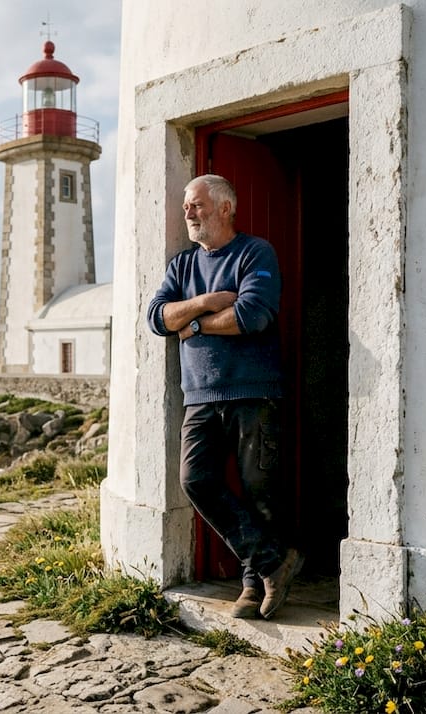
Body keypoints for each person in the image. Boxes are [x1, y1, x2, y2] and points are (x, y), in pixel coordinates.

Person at [146, 173, 303, 620]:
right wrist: (206, 302)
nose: (188, 213)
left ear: (225, 207)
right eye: (185, 208)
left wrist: (190, 326)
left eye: (195, 205)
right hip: (199, 395)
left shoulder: (256, 253)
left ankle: (253, 587)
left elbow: (252, 315)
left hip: (254, 393)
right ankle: (275, 562)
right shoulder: (181, 266)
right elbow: (158, 318)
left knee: (260, 492)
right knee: (196, 480)